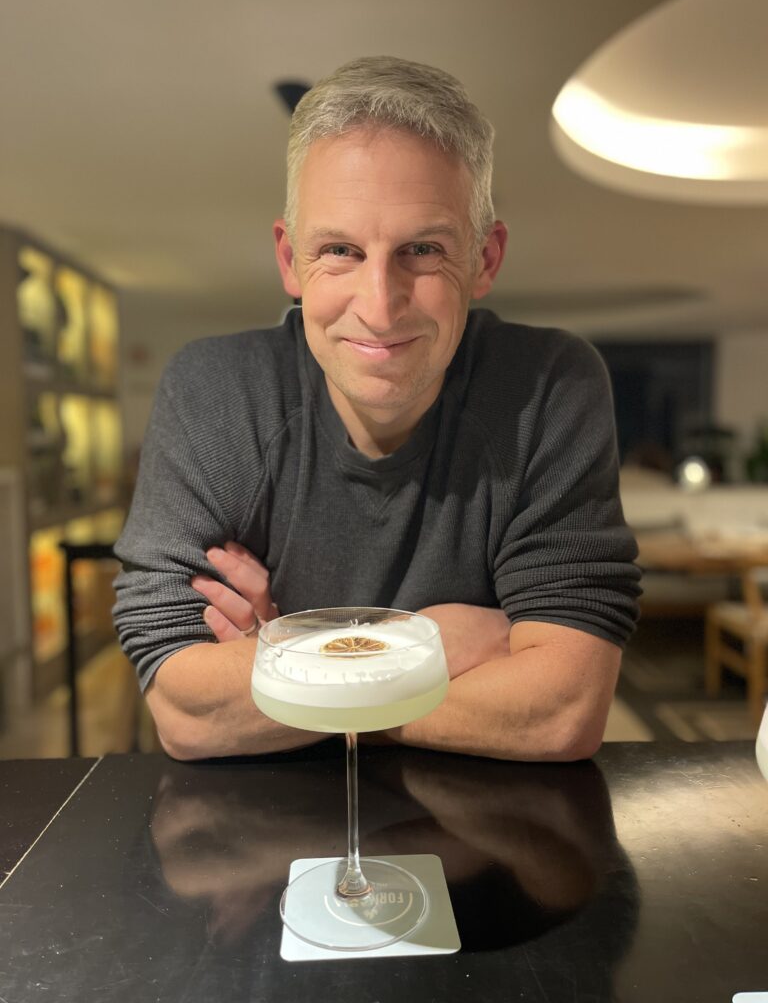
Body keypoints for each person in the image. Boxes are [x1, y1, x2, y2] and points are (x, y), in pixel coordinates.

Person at [113, 56, 640, 762]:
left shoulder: (548, 388)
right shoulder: (213, 394)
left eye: (422, 250)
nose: (379, 305)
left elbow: (561, 709)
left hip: (489, 843)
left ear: (484, 258)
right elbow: (187, 710)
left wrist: (290, 656)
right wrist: (420, 646)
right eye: (340, 250)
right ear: (291, 259)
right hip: (268, 840)